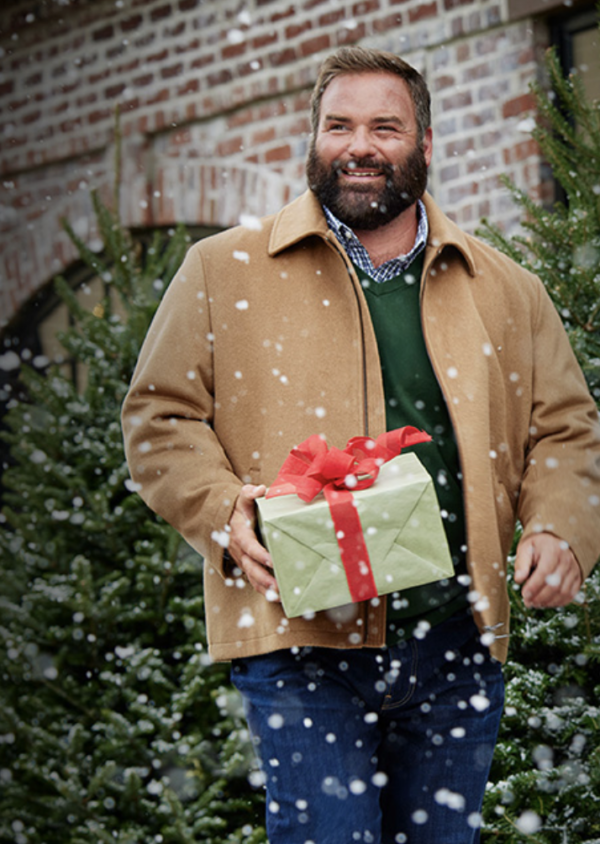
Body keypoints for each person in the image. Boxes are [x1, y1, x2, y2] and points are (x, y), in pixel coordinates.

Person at [122, 46, 600, 844]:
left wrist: (560, 526)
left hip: (456, 646)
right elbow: (159, 419)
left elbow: (565, 428)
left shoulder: (509, 289)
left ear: (425, 145)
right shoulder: (220, 271)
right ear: (312, 141)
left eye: (386, 126)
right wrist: (221, 511)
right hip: (303, 645)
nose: (360, 145)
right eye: (339, 125)